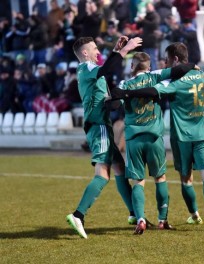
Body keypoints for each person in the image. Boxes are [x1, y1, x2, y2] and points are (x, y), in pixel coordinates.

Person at [111, 42, 204, 230]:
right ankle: (201, 216)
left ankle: (144, 219)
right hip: (193, 133)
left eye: (167, 59)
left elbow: (117, 104)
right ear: (149, 66)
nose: (165, 62)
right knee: (200, 174)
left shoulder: (167, 83)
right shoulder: (200, 75)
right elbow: (163, 81)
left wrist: (124, 94)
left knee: (164, 180)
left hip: (168, 137)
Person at [66, 35, 143, 239]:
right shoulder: (86, 68)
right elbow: (107, 69)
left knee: (120, 168)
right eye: (94, 49)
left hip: (103, 125)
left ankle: (134, 214)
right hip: (98, 125)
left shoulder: (90, 70)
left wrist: (116, 51)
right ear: (85, 53)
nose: (98, 52)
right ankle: (78, 215)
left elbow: (106, 68)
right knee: (103, 174)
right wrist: (125, 49)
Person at [114, 51, 197, 234]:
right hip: (154, 137)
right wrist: (193, 65)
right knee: (160, 178)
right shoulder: (156, 75)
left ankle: (141, 218)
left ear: (132, 67)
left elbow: (112, 105)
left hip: (133, 139)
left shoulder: (124, 84)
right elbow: (179, 69)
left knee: (138, 182)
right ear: (149, 67)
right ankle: (162, 220)